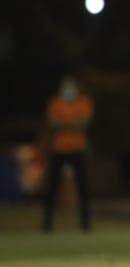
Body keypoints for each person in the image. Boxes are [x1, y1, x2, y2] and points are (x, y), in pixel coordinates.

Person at [41, 75, 94, 232]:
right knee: (52, 187)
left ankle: (86, 224)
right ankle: (47, 225)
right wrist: (72, 123)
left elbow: (83, 123)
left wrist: (63, 123)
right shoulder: (55, 102)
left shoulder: (84, 101)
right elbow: (52, 123)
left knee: (83, 187)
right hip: (59, 150)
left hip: (77, 150)